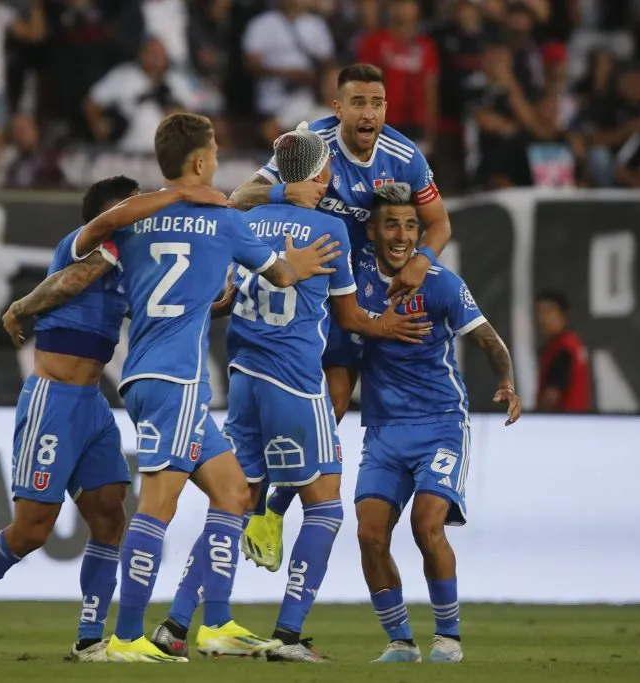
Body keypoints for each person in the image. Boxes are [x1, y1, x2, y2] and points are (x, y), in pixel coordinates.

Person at [150, 125, 432, 663]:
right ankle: (286, 636)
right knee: (324, 507)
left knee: (233, 505)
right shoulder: (330, 230)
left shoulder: (245, 219)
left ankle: (176, 623)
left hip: (244, 380)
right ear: (322, 174)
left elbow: (223, 295)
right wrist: (387, 327)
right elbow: (349, 318)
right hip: (297, 383)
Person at [66, 112, 341, 662]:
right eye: (213, 152)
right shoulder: (223, 220)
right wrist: (301, 262)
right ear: (199, 162)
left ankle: (215, 624)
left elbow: (86, 239)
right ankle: (125, 638)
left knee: (235, 492)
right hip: (177, 379)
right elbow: (281, 275)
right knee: (158, 505)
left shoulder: (136, 219)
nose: (218, 161)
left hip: (143, 371)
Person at [0, 175, 229, 663]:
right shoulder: (79, 247)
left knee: (110, 516)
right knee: (31, 530)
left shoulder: (133, 268)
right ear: (104, 216)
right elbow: (66, 282)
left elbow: (173, 308)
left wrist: (218, 301)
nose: (138, 215)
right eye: (129, 208)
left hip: (92, 405)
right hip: (52, 400)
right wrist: (22, 307)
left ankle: (90, 639)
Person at [230, 63, 453, 568]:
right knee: (298, 401)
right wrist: (284, 192)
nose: (368, 112)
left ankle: (270, 507)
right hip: (305, 284)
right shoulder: (309, 147)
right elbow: (237, 198)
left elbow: (438, 224)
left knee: (334, 397)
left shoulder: (404, 157)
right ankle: (253, 497)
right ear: (338, 108)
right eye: (358, 103)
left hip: (357, 286)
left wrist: (421, 262)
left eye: (377, 103)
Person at [353, 183, 520, 663]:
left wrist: (506, 382)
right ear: (372, 230)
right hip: (383, 429)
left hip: (440, 422)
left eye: (410, 224)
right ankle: (400, 642)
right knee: (369, 535)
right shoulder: (355, 275)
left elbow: (489, 339)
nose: (402, 234)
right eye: (392, 224)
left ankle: (448, 637)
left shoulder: (441, 281)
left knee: (427, 527)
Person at [534, 289, 591, 412]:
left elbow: (551, 396)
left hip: (561, 424)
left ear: (563, 316)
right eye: (539, 313)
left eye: (548, 312)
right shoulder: (574, 343)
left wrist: (533, 419)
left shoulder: (562, 349)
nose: (542, 319)